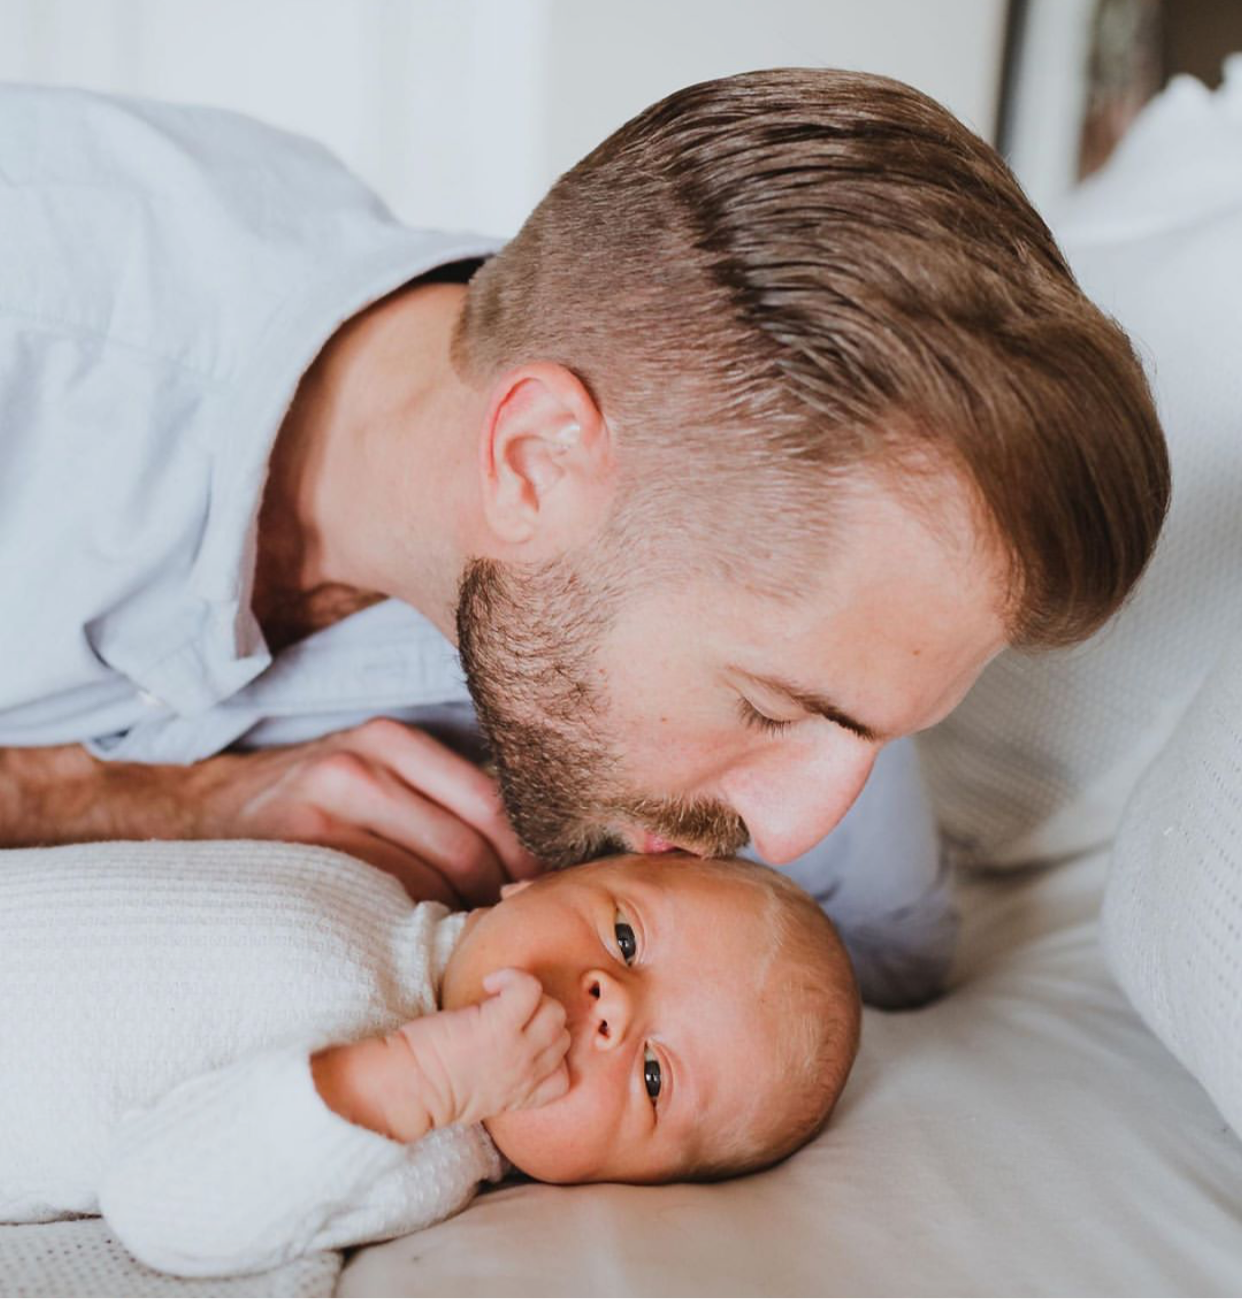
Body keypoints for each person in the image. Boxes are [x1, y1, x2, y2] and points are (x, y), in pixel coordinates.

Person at [0, 70, 1169, 1005]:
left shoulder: (818, 555)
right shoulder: (46, 315)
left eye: (866, 731)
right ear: (536, 460)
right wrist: (136, 805)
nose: (797, 829)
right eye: (765, 706)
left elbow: (887, 950)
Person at [0, 841, 860, 1277]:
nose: (613, 1004)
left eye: (651, 1077)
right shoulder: (372, 889)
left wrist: (419, 1080)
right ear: (534, 881)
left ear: (614, 1184)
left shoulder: (420, 1153)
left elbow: (159, 1208)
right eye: (626, 934)